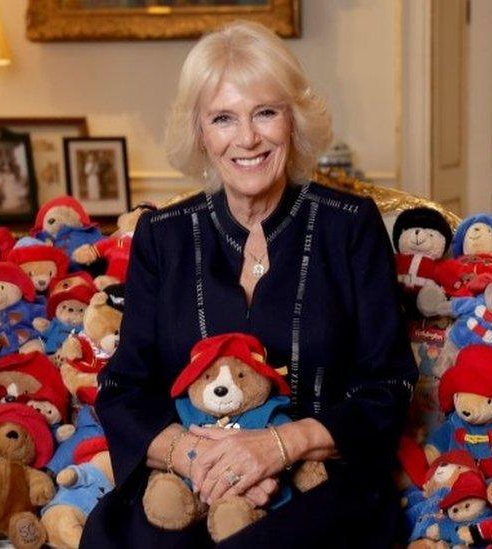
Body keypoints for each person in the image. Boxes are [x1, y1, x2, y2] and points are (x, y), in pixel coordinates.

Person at [82, 20, 418, 548]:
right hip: (190, 481)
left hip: (320, 484)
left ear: (294, 121)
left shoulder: (348, 226)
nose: (247, 139)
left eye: (266, 112)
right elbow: (124, 391)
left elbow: (389, 386)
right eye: (223, 118)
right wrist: (200, 461)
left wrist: (278, 447)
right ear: (199, 132)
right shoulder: (163, 237)